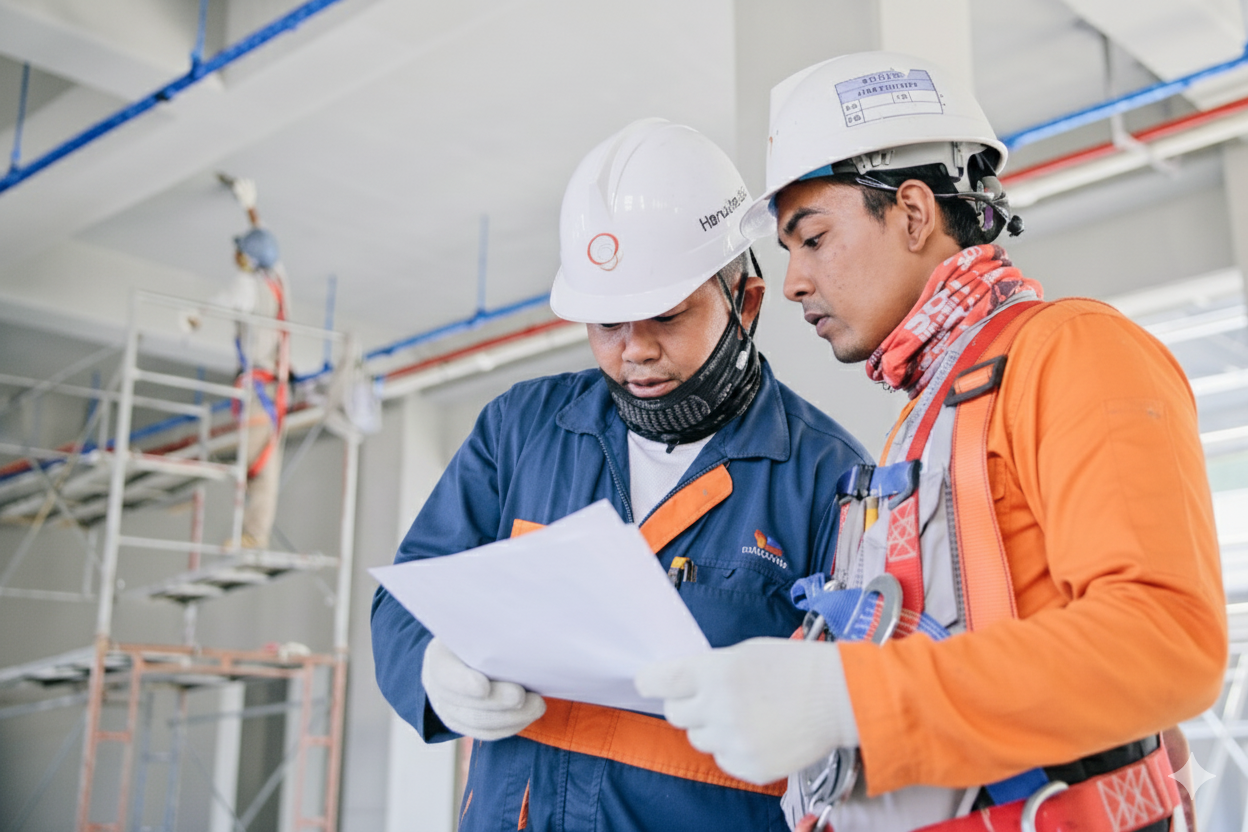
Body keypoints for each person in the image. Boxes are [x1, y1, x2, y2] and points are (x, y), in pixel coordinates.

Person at [636, 52, 1227, 832]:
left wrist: (846, 697)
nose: (793, 284)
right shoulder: (927, 419)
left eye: (811, 239)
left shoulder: (1073, 352)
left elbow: (1165, 640)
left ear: (913, 213)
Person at [370, 118, 870, 831]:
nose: (632, 351)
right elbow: (413, 590)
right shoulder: (520, 431)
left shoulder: (827, 477)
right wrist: (429, 668)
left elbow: (860, 711)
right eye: (606, 323)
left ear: (745, 302)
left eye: (665, 316)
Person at [183, 176, 291, 550]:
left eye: (240, 252)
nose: (236, 255)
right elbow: (264, 241)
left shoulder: (247, 287)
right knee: (263, 463)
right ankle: (253, 534)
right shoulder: (277, 277)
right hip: (273, 387)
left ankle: (251, 536)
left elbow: (223, 300)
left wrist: (194, 317)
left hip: (259, 389)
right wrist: (249, 207)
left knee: (255, 466)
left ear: (247, 259)